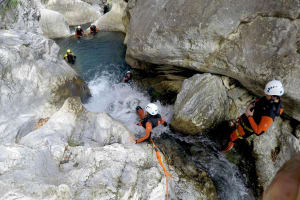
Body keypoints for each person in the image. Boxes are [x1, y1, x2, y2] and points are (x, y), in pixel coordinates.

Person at [222, 80, 284, 152]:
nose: (265, 94)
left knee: (231, 139)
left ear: (274, 97)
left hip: (245, 129)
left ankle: (222, 153)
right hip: (243, 121)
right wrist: (253, 105)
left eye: (267, 94)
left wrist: (249, 116)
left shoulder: (270, 114)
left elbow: (258, 131)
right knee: (229, 131)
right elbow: (259, 102)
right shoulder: (268, 99)